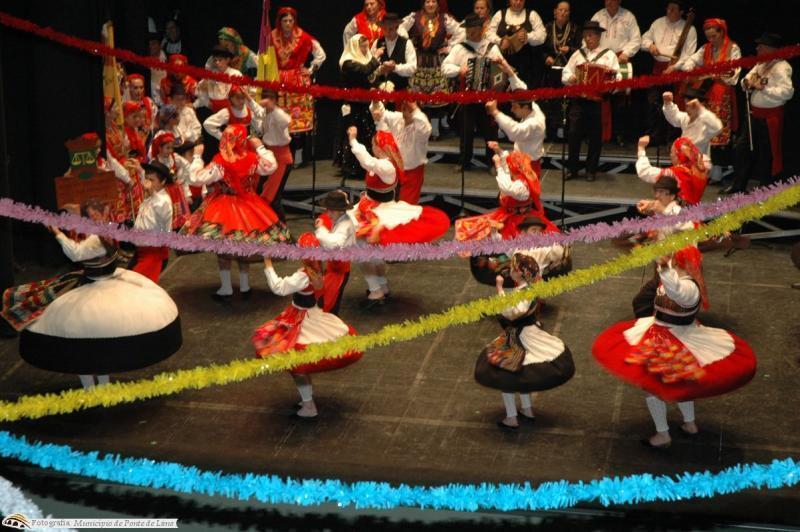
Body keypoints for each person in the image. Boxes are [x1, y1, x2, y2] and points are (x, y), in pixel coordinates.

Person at [2, 200, 181, 390]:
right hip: (99, 280)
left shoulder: (96, 238)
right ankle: (97, 386)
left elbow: (75, 253)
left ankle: (97, 387)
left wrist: (57, 233)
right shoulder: (103, 230)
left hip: (99, 285)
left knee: (87, 340)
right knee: (91, 347)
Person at [593, 246, 757, 448]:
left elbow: (674, 289)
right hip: (662, 333)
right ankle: (690, 424)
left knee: (652, 387)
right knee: (680, 384)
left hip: (672, 341)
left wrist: (663, 266)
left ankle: (663, 434)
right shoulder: (677, 277)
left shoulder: (688, 288)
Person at [253, 234, 364, 419]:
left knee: (296, 364)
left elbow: (278, 287)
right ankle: (307, 399)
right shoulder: (317, 269)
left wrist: (268, 263)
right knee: (298, 364)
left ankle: (309, 405)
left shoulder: (303, 276)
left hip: (302, 320)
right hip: (312, 314)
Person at [183, 125, 290, 301]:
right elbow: (271, 166)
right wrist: (260, 147)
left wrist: (196, 157)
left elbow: (196, 178)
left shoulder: (220, 162)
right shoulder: (252, 159)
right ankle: (245, 286)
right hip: (250, 206)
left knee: (223, 249)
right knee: (243, 247)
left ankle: (227, 288)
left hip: (224, 208)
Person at [346, 127, 450, 308]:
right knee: (371, 251)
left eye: (374, 143)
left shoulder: (386, 166)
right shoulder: (381, 163)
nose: (372, 146)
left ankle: (376, 290)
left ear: (380, 147)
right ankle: (381, 286)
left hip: (381, 211)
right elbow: (368, 163)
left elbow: (367, 161)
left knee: (363, 251)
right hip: (369, 208)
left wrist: (353, 140)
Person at [474, 253, 575, 430]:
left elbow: (512, 312)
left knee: (505, 376)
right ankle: (526, 409)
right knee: (521, 376)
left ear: (520, 273)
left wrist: (499, 289)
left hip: (519, 336)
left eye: (513, 269)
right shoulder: (528, 288)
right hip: (526, 332)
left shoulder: (525, 293)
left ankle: (512, 417)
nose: (510, 272)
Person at [668, 19, 741, 178]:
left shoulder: (733, 49)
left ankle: (717, 172)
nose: (711, 40)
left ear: (722, 32)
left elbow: (734, 76)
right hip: (705, 92)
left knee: (718, 131)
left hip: (721, 94)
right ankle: (704, 170)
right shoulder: (705, 48)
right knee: (703, 131)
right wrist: (689, 69)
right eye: (708, 37)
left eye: (714, 36)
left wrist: (720, 77)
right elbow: (691, 60)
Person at [724, 33, 794, 194]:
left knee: (767, 154)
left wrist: (764, 88)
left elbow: (787, 93)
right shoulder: (760, 64)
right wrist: (747, 83)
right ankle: (739, 185)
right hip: (753, 115)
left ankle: (765, 187)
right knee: (742, 149)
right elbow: (745, 81)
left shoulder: (782, 67)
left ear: (770, 48)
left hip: (770, 117)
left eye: (761, 46)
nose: (757, 48)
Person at [441, 13, 503, 173]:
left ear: (481, 28)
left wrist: (497, 67)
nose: (470, 31)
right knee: (465, 131)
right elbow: (444, 67)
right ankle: (464, 162)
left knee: (490, 131)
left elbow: (502, 69)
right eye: (468, 28)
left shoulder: (491, 48)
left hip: (487, 97)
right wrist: (459, 70)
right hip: (467, 97)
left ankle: (493, 163)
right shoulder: (460, 48)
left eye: (473, 28)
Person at [456, 148, 556, 245]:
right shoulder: (519, 176)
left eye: (509, 165)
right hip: (507, 214)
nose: (508, 167)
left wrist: (498, 165)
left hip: (517, 219)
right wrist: (498, 150)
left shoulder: (522, 186)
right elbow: (508, 162)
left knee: (507, 242)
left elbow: (507, 187)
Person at [562, 20, 621, 182]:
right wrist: (571, 78)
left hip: (598, 101)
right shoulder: (578, 54)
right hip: (579, 100)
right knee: (573, 134)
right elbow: (565, 72)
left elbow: (618, 77)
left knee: (595, 136)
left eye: (591, 35)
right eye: (586, 35)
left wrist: (609, 83)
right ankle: (572, 168)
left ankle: (591, 170)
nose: (588, 38)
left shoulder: (609, 55)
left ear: (599, 36)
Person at [271, 7, 327, 168]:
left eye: (291, 20)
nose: (288, 24)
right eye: (285, 21)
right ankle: (281, 155)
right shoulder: (271, 37)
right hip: (278, 80)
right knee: (279, 120)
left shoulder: (303, 37)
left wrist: (310, 69)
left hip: (297, 82)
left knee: (298, 121)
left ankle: (298, 156)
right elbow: (262, 56)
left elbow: (321, 54)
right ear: (280, 21)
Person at [401, 0, 463, 138]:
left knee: (436, 96)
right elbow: (400, 29)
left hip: (436, 61)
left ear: (438, 4)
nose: (430, 4)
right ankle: (418, 129)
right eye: (427, 1)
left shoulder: (444, 19)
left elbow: (461, 32)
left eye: (433, 1)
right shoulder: (414, 17)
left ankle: (434, 130)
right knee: (418, 96)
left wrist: (450, 47)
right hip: (419, 61)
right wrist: (408, 44)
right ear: (423, 4)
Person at [642, 1, 697, 145]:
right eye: (668, 8)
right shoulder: (658, 23)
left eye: (673, 9)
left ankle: (673, 140)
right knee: (653, 103)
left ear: (681, 12)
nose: (669, 11)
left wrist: (675, 66)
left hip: (677, 69)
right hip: (658, 68)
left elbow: (690, 54)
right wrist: (650, 46)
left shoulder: (689, 29)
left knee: (674, 105)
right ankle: (654, 138)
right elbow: (644, 39)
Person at [591, 0, 641, 146]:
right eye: (607, 0)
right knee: (598, 99)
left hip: (620, 60)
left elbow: (636, 39)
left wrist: (626, 53)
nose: (609, 2)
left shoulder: (628, 17)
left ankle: (619, 135)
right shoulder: (598, 16)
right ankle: (598, 134)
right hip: (601, 60)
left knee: (620, 101)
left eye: (613, 0)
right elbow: (588, 37)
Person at [334, 35, 381, 180]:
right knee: (353, 135)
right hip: (352, 105)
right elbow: (364, 71)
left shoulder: (366, 59)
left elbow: (370, 77)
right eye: (362, 46)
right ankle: (352, 167)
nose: (365, 49)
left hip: (365, 104)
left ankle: (366, 166)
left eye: (367, 46)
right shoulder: (348, 62)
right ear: (355, 46)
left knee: (366, 134)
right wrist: (376, 58)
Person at [370, 99, 432, 204]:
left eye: (409, 110)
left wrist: (414, 108)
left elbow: (425, 129)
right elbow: (382, 114)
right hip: (394, 169)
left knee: (406, 207)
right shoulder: (398, 118)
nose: (405, 112)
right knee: (386, 204)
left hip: (412, 173)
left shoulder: (421, 126)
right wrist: (376, 102)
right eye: (404, 109)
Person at [247, 90, 293, 220]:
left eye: (271, 98)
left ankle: (282, 229)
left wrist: (272, 107)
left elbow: (287, 121)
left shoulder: (278, 115)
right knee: (260, 193)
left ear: (275, 101)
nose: (267, 101)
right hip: (269, 156)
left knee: (271, 198)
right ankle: (268, 226)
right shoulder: (266, 113)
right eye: (265, 98)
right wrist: (248, 99)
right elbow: (258, 112)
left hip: (281, 159)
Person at [484, 77, 547, 166]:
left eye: (515, 107)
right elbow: (522, 88)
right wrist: (509, 71)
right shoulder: (533, 108)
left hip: (528, 168)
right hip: (522, 161)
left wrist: (495, 112)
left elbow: (515, 131)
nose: (512, 110)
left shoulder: (534, 123)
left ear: (525, 107)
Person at [540, 2, 580, 138]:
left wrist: (570, 49)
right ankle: (545, 128)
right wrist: (546, 57)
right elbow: (539, 48)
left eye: (566, 10)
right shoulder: (547, 27)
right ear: (555, 12)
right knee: (547, 99)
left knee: (564, 100)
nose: (563, 13)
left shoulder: (574, 28)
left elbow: (580, 49)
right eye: (560, 10)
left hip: (567, 69)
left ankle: (562, 128)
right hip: (549, 70)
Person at [130, 162, 175, 283]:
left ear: (163, 181)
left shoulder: (163, 201)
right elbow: (147, 185)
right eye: (147, 179)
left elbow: (158, 204)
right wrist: (141, 171)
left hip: (154, 253)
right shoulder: (152, 196)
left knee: (136, 286)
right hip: (143, 251)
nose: (147, 183)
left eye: (152, 180)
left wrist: (150, 191)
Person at [314, 190, 357, 316]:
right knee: (329, 300)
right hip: (335, 267)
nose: (328, 214)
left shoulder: (345, 225)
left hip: (339, 270)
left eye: (332, 211)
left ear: (341, 211)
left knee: (330, 303)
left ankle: (332, 324)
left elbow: (334, 244)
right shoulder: (342, 218)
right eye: (328, 210)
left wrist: (321, 228)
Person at [486, 0, 547, 87]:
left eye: (521, 0)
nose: (518, 3)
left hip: (527, 66)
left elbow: (542, 36)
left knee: (524, 91)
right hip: (503, 64)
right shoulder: (500, 14)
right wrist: (500, 41)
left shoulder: (532, 15)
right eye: (515, 0)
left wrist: (528, 37)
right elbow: (488, 34)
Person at [636, 135, 708, 205]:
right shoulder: (700, 169)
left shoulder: (678, 172)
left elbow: (645, 172)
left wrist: (641, 148)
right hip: (693, 209)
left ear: (679, 154)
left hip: (680, 211)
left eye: (672, 152)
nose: (670, 155)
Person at [661, 90, 722, 171]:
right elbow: (674, 117)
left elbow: (717, 127)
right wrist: (668, 103)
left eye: (691, 105)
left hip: (699, 163)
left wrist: (700, 109)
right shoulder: (685, 117)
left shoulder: (706, 120)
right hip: (683, 160)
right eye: (687, 103)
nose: (688, 106)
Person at [371, 12, 417, 93]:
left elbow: (412, 68)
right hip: (380, 91)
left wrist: (395, 67)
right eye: (385, 29)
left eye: (391, 29)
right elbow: (369, 68)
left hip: (401, 92)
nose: (387, 32)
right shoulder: (377, 43)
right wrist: (380, 69)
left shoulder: (406, 43)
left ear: (397, 28)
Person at [194, 45, 242, 113]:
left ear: (227, 60)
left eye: (220, 60)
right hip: (214, 110)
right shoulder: (211, 75)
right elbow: (200, 90)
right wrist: (206, 102)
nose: (217, 62)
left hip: (232, 111)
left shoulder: (236, 74)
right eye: (215, 60)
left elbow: (242, 94)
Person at [147, 33, 167, 106]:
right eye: (149, 44)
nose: (150, 47)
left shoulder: (168, 59)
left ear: (159, 45)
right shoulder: (144, 63)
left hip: (167, 101)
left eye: (153, 44)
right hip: (152, 103)